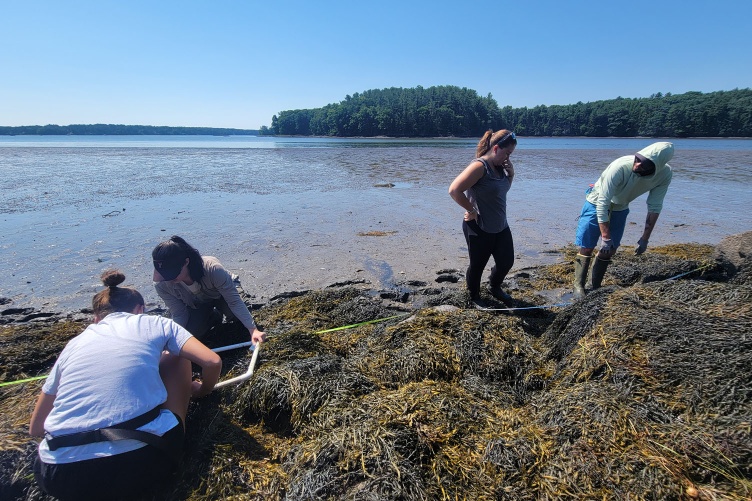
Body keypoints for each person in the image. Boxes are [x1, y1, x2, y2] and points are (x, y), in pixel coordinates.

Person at [29, 270, 222, 501]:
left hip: (57, 474)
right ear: (140, 309)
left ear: (96, 318)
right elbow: (212, 361)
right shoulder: (156, 323)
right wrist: (202, 390)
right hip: (137, 460)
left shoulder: (74, 344)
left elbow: (37, 428)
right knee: (176, 356)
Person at [573, 141, 675, 299]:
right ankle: (578, 286)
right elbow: (603, 202)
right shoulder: (620, 166)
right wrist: (605, 237)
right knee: (587, 246)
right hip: (596, 202)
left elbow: (655, 206)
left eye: (644, 163)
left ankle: (594, 286)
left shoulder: (665, 174)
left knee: (610, 250)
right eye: (638, 159)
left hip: (621, 207)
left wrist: (645, 239)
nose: (638, 164)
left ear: (657, 166)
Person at [152, 235, 265, 344]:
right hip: (197, 302)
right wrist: (172, 340)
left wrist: (253, 330)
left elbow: (234, 301)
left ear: (186, 262)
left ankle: (223, 309)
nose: (169, 279)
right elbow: (179, 313)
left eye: (172, 274)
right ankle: (214, 316)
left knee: (237, 317)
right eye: (164, 275)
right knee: (191, 334)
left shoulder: (213, 270)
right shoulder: (162, 285)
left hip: (222, 294)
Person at [449, 129, 517, 308]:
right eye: (507, 153)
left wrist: (511, 175)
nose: (508, 158)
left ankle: (495, 287)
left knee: (506, 262)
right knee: (477, 265)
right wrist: (471, 210)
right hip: (479, 226)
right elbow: (454, 190)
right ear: (496, 148)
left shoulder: (500, 167)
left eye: (510, 155)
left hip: (501, 225)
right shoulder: (479, 167)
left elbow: (501, 191)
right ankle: (474, 297)